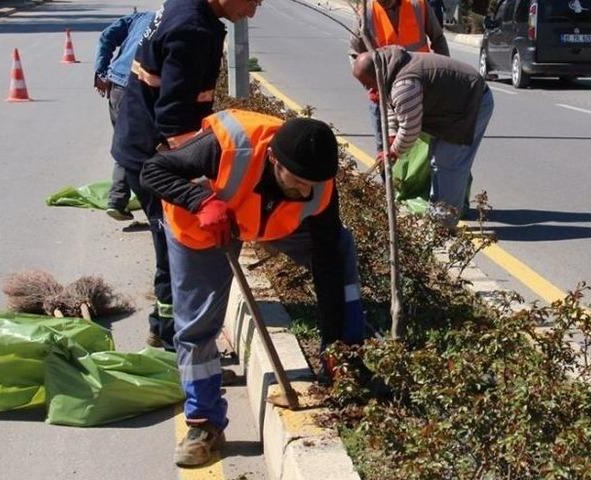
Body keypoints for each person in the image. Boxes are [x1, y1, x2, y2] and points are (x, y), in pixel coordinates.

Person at [141, 109, 365, 467]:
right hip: (204, 226)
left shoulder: (317, 177)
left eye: (312, 183)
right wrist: (201, 201)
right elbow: (152, 170)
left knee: (338, 252)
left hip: (271, 222)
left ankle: (346, 360)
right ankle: (204, 425)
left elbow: (325, 262)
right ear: (273, 158)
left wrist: (334, 337)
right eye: (296, 180)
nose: (305, 190)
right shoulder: (227, 148)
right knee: (197, 325)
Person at [111, 0, 262, 350]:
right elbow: (174, 120)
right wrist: (203, 180)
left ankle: (164, 329)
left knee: (170, 246)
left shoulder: (186, 8)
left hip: (142, 143)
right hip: (157, 157)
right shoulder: (192, 30)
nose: (252, 13)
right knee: (177, 250)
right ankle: (172, 343)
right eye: (252, 1)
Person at [351, 46, 494, 228]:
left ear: (377, 75)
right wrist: (392, 136)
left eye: (367, 83)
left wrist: (393, 151)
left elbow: (410, 129)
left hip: (471, 103)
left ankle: (445, 224)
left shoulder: (405, 85)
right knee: (436, 159)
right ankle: (438, 215)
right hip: (450, 109)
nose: (366, 88)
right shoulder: (390, 69)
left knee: (448, 161)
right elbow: (391, 107)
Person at [350, 0, 449, 153]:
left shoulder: (418, 5)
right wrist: (371, 86)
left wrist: (442, 78)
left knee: (422, 149)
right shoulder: (367, 13)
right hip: (383, 95)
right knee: (385, 150)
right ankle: (387, 175)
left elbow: (438, 39)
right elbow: (354, 53)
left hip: (420, 91)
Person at [93, 8, 156, 221]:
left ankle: (118, 200)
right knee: (135, 147)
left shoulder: (140, 18)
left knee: (126, 144)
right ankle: (122, 200)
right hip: (138, 88)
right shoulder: (174, 23)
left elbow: (106, 36)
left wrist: (101, 71)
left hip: (117, 86)